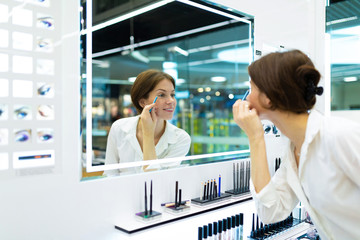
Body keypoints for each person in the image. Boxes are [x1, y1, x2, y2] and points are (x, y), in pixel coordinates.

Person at [232, 50, 360, 239]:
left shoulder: (339, 135)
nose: (246, 98)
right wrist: (255, 138)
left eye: (251, 89)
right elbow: (271, 212)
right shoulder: (293, 151)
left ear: (268, 97)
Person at [104, 69, 191, 176]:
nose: (171, 101)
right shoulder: (119, 128)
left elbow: (154, 181)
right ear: (142, 102)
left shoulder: (180, 138)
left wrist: (148, 133)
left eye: (172, 95)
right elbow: (109, 174)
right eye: (162, 95)